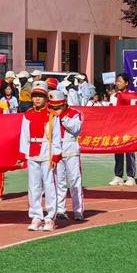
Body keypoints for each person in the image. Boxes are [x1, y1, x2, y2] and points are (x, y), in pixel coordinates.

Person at [19, 80, 62, 231]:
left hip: (47, 151)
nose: (37, 99)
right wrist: (22, 154)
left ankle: (50, 217)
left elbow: (56, 136)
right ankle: (36, 216)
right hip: (32, 151)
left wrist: (56, 155)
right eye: (35, 96)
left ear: (46, 98)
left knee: (49, 185)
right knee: (33, 186)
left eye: (40, 96)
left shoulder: (52, 115)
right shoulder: (28, 115)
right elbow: (24, 135)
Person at [49, 90, 84, 221]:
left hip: (71, 149)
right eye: (53, 106)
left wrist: (62, 116)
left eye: (57, 107)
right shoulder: (50, 114)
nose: (54, 109)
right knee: (59, 182)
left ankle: (78, 210)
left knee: (75, 181)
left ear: (64, 104)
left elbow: (76, 129)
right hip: (56, 150)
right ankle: (60, 210)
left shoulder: (76, 113)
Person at [109, 73, 137, 187]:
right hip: (117, 127)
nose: (118, 83)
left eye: (120, 81)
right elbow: (111, 110)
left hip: (130, 127)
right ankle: (118, 176)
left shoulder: (132, 95)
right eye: (117, 81)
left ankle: (131, 176)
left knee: (129, 152)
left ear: (126, 83)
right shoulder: (113, 96)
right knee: (118, 151)